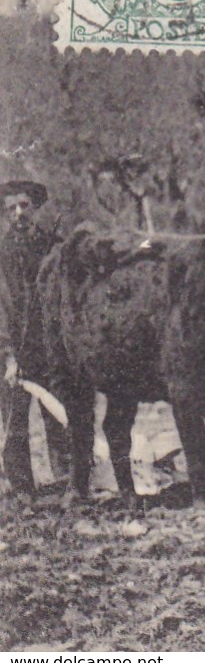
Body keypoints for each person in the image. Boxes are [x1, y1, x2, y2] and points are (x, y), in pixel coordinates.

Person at [0, 179, 68, 495]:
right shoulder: (1, 251)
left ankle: (66, 479)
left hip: (49, 346)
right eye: (11, 207)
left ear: (35, 208)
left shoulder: (53, 247)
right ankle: (23, 490)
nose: (18, 213)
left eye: (24, 205)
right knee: (14, 422)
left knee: (58, 415)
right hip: (11, 346)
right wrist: (9, 351)